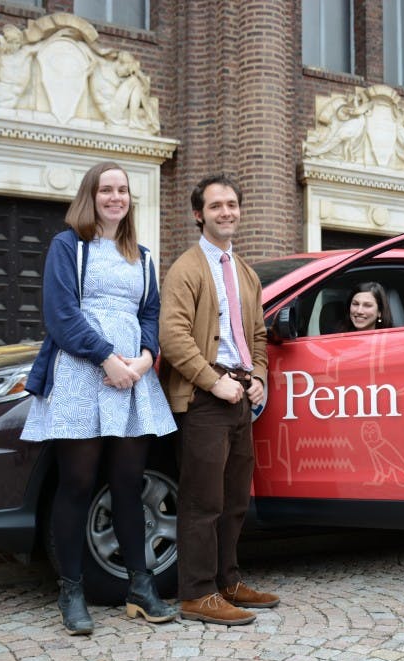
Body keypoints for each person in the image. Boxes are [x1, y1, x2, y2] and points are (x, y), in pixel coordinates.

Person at [20, 162, 178, 636]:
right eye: (106, 189)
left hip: (133, 379)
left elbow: (151, 313)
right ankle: (71, 591)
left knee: (128, 484)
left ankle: (141, 586)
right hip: (81, 374)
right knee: (77, 484)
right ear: (91, 196)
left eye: (122, 190)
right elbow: (61, 314)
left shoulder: (144, 257)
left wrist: (146, 359)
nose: (115, 197)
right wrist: (107, 358)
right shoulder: (68, 246)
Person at [158, 174, 278, 626]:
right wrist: (213, 381)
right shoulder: (187, 268)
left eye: (231, 204)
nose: (226, 212)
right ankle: (196, 593)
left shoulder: (244, 271)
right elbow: (173, 336)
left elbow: (260, 336)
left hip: (240, 394)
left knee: (234, 499)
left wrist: (259, 378)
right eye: (215, 206)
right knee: (202, 501)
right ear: (198, 214)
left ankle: (227, 581)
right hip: (205, 398)